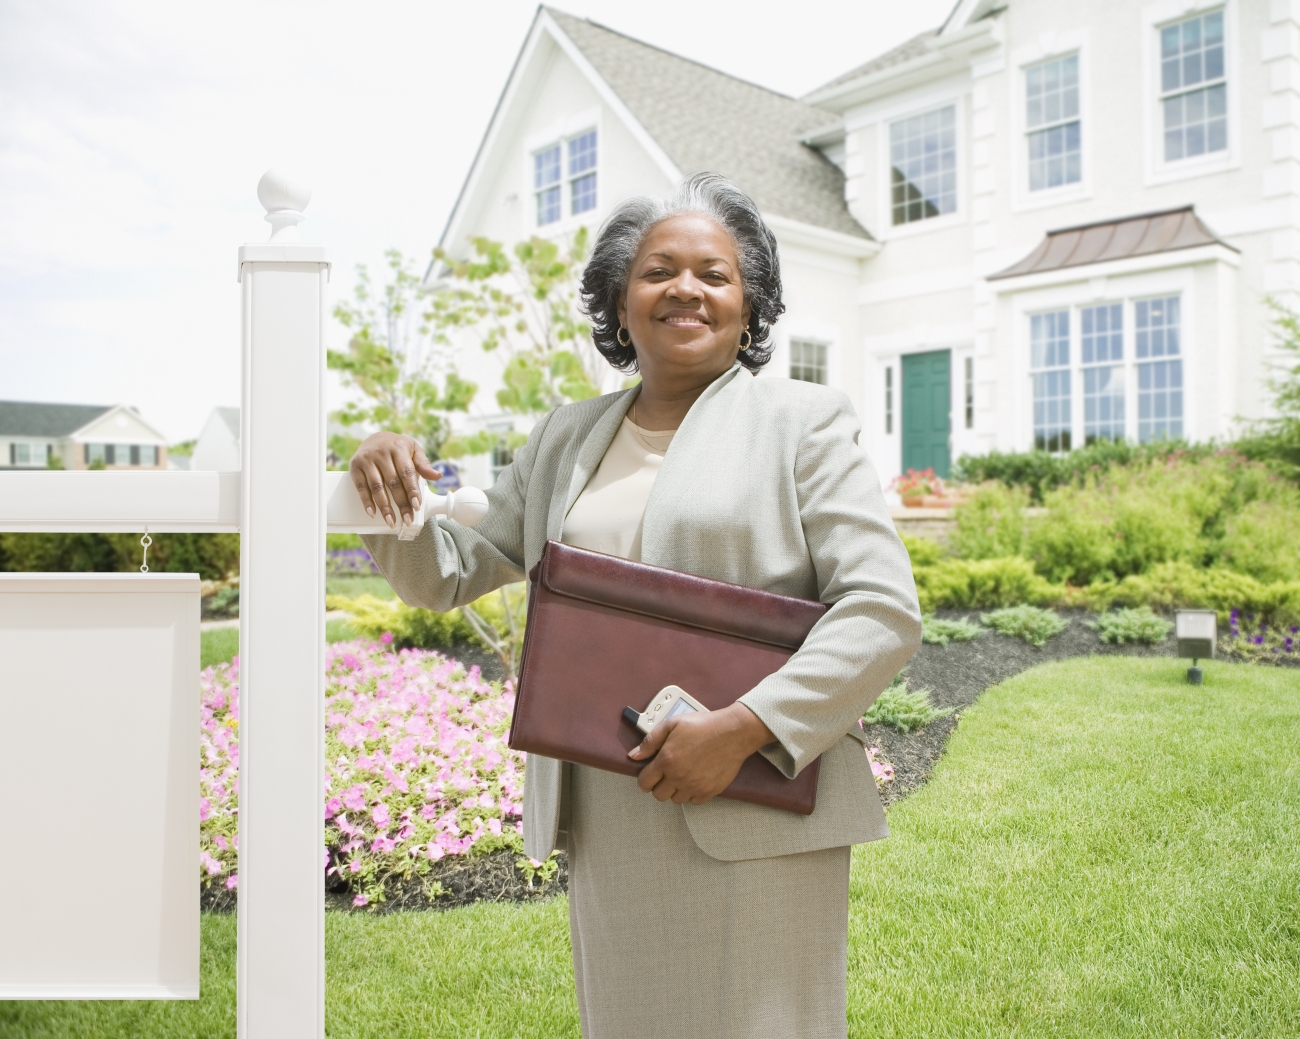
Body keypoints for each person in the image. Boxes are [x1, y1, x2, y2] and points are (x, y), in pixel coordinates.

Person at [352, 172, 921, 1039]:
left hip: (755, 790)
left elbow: (880, 608)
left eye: (715, 274)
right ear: (620, 301)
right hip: (613, 808)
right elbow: (449, 572)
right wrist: (385, 483)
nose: (685, 288)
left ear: (748, 305)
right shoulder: (564, 435)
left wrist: (743, 728)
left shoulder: (803, 421)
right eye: (659, 270)